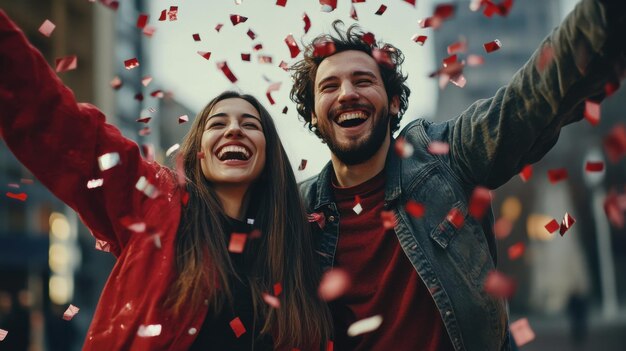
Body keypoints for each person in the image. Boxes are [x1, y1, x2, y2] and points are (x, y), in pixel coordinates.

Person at [290, 0, 625, 350]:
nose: (347, 93)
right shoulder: (296, 211)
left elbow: (530, 98)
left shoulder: (443, 157)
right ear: (313, 114)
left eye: (363, 81)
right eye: (329, 87)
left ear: (392, 103)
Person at [0, 12, 332, 351]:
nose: (234, 129)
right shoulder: (154, 203)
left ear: (269, 153)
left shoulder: (301, 244)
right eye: (217, 124)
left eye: (250, 124)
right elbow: (54, 120)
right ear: (197, 151)